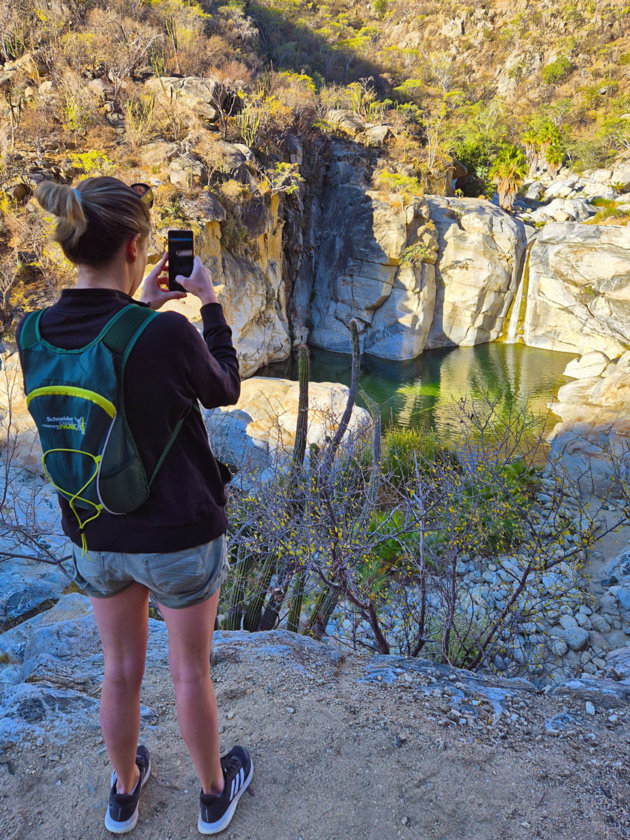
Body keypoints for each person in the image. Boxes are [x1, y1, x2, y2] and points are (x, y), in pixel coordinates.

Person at [16, 176, 252, 835]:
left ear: (71, 245)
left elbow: (108, 361)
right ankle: (212, 794)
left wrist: (138, 306)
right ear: (135, 246)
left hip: (94, 532)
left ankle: (124, 793)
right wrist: (206, 303)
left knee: (118, 670)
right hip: (179, 533)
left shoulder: (31, 331)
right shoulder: (166, 335)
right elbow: (224, 387)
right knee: (189, 670)